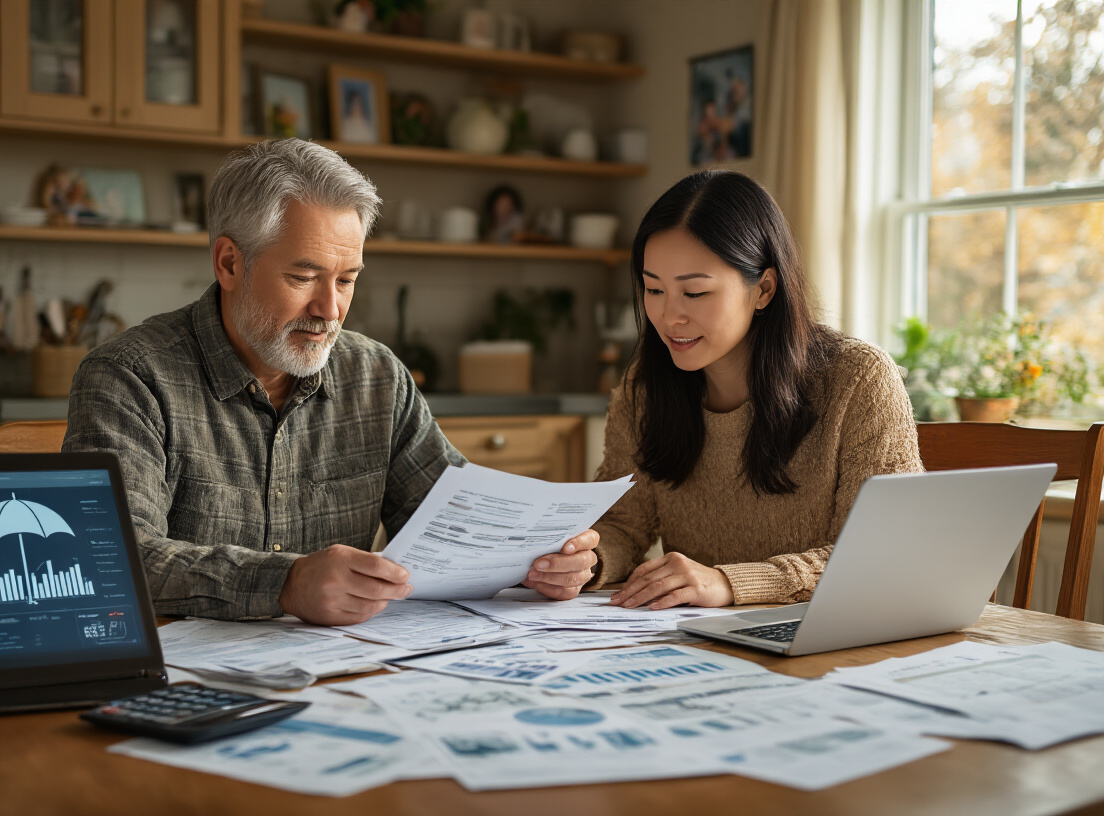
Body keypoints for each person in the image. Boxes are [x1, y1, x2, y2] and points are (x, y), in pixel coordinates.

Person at [63, 140, 598, 625]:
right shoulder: (129, 377)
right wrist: (286, 584)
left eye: (346, 280)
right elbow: (110, 557)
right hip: (180, 686)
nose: (330, 310)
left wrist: (540, 558)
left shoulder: (378, 378)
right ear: (229, 263)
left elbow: (455, 521)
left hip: (350, 679)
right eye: (303, 277)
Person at [590, 170, 921, 610]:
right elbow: (623, 525)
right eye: (653, 289)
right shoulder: (645, 390)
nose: (669, 317)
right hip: (698, 644)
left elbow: (883, 555)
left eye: (694, 292)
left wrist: (729, 584)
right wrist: (588, 560)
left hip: (828, 641)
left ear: (763, 289)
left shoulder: (858, 380)